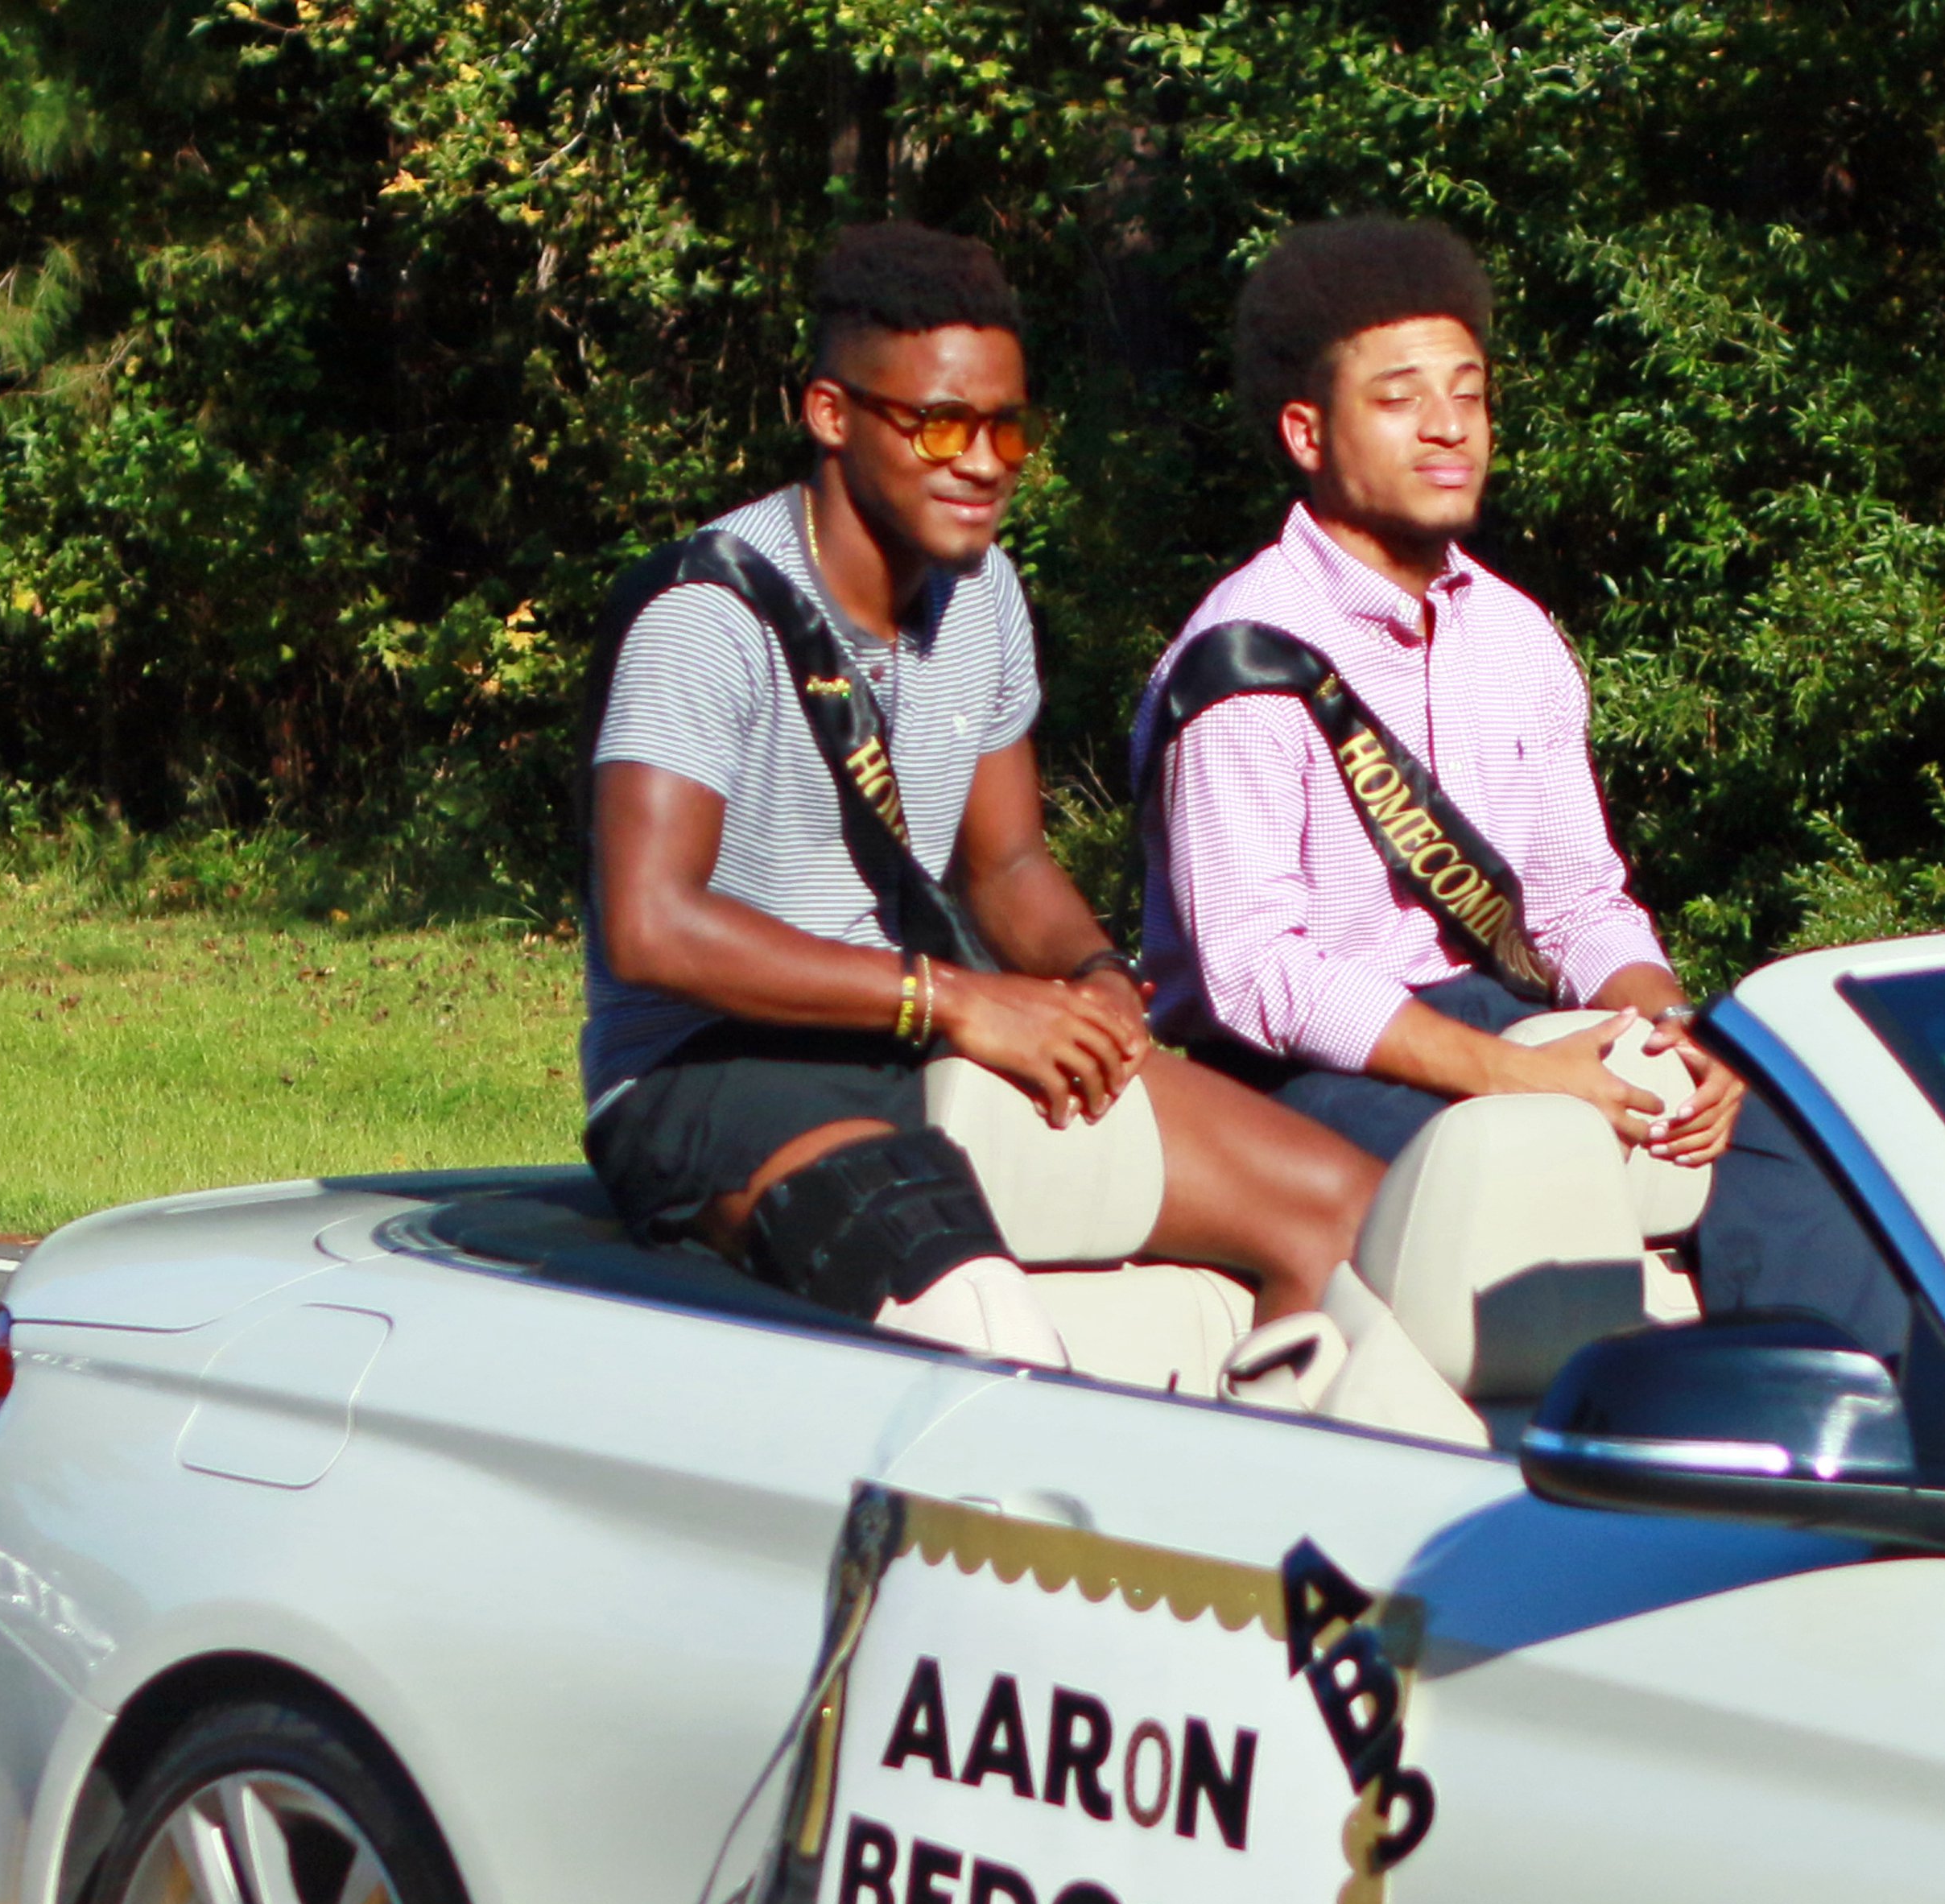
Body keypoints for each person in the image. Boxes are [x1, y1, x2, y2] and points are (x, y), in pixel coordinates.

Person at [581, 223, 1378, 1358]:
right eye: (941, 424)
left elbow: (1002, 866)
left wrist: (1101, 978)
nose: (985, 461)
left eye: (1010, 427)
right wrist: (954, 1001)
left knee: (1349, 1219)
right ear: (831, 415)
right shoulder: (706, 616)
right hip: (709, 1072)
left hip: (917, 1034)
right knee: (976, 1321)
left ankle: (1241, 1519)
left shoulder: (986, 591)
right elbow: (651, 926)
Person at [1129, 217, 1906, 1355]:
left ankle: (1845, 1432)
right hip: (1303, 1073)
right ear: (1307, 431)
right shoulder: (1244, 656)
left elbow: (1580, 904)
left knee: (1796, 1111)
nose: (1448, 427)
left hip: (1510, 1026)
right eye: (1400, 399)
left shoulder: (1515, 636)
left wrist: (1678, 1030)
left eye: (1470, 394)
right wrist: (1513, 1075)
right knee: (1530, 1156)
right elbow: (1257, 974)